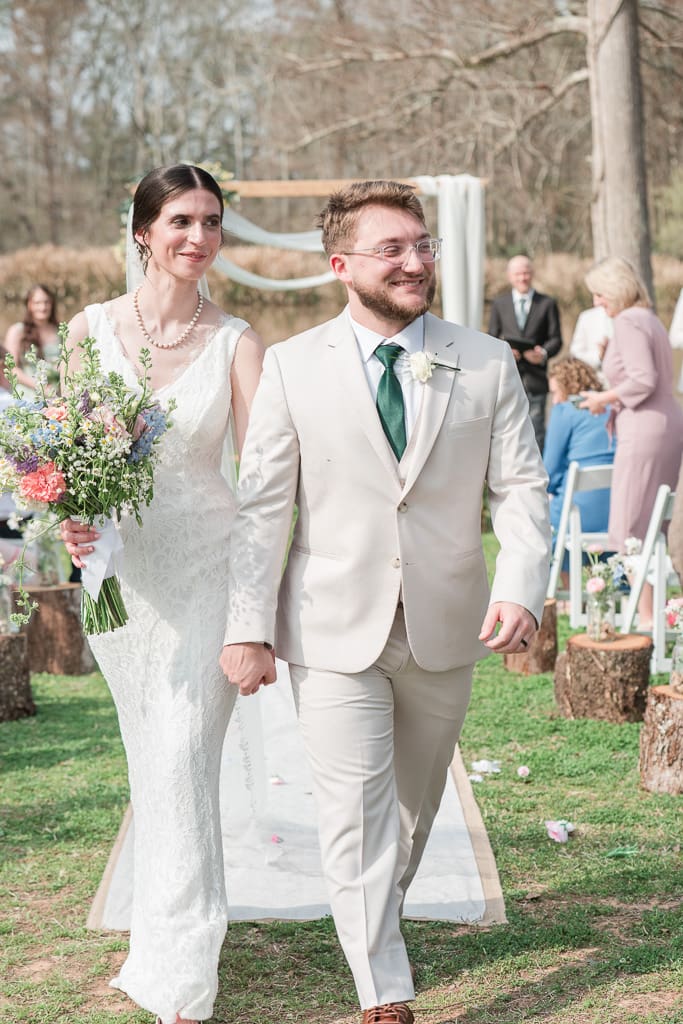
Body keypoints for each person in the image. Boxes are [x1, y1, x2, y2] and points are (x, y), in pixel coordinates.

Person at [220, 181, 551, 1024]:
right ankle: (382, 988)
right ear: (341, 266)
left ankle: (377, 914)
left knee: (411, 809)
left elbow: (519, 489)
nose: (414, 261)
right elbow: (263, 509)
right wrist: (248, 627)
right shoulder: (293, 367)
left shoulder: (483, 360)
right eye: (392, 248)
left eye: (421, 244)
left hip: (448, 624)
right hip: (331, 625)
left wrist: (519, 587)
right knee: (353, 809)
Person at [59, 164, 265, 1024]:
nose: (199, 236)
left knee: (182, 756)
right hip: (119, 584)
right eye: (181, 219)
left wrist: (255, 616)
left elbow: (265, 486)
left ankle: (183, 973)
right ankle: (160, 937)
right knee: (153, 761)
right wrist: (69, 520)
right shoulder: (87, 329)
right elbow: (67, 465)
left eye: (212, 222)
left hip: (207, 571)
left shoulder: (237, 341)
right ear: (141, 229)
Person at [580, 256, 683, 628]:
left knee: (631, 525)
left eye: (599, 294)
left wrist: (601, 399)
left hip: (644, 431)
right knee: (655, 521)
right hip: (666, 423)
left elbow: (643, 380)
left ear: (617, 289)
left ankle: (647, 616)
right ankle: (658, 611)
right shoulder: (649, 319)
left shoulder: (627, 321)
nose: (597, 303)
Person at [487, 254, 562, 451]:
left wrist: (543, 353)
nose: (523, 278)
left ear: (532, 274)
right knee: (508, 428)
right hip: (507, 378)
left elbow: (556, 339)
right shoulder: (499, 304)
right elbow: (491, 336)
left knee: (537, 429)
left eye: (526, 273)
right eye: (518, 274)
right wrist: (505, 351)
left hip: (536, 379)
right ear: (510, 276)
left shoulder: (547, 303)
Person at [544, 357, 614, 541]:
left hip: (575, 514)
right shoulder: (612, 408)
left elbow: (549, 471)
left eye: (555, 392)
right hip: (616, 514)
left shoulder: (564, 410)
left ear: (567, 387)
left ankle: (561, 570)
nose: (554, 400)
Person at [3, 284, 60, 393]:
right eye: (37, 303)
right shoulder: (17, 331)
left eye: (46, 302)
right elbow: (11, 369)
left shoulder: (60, 331)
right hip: (27, 396)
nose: (43, 307)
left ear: (52, 304)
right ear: (29, 304)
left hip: (56, 393)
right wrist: (40, 388)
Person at [569, 298, 612, 385]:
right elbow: (576, 353)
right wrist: (599, 357)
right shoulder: (587, 317)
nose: (596, 302)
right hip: (596, 382)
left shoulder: (629, 316)